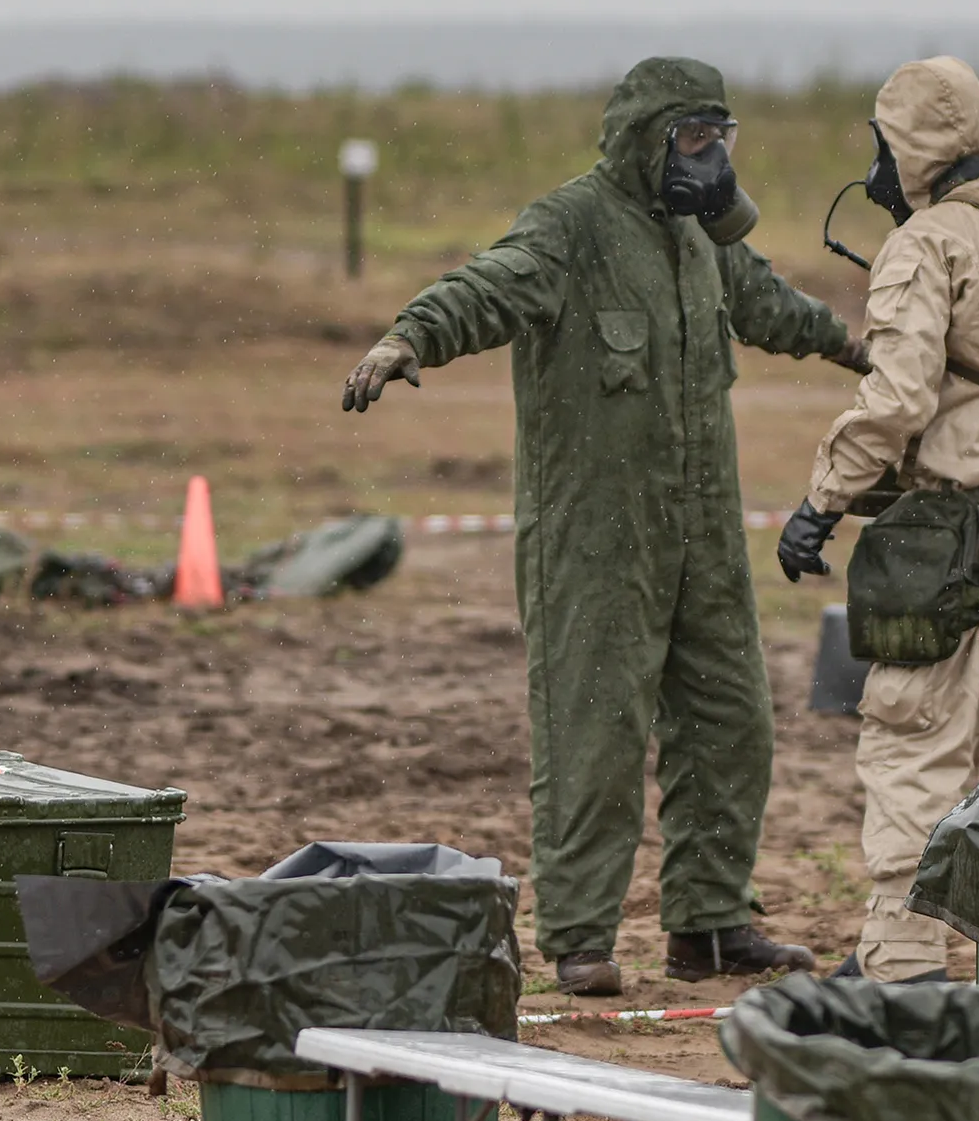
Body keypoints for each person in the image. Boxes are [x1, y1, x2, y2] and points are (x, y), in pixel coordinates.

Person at [342, 56, 864, 997]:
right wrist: (407, 336)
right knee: (595, 736)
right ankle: (580, 936)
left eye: (720, 139)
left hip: (705, 535)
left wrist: (860, 348)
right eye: (694, 139)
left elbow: (770, 306)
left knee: (732, 723)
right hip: (595, 537)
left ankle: (710, 925)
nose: (711, 159)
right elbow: (488, 286)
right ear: (646, 141)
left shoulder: (701, 238)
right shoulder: (569, 226)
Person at [773, 55, 979, 980]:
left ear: (912, 147)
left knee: (914, 737)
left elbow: (897, 399)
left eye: (884, 148)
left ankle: (901, 955)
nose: (877, 169)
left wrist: (821, 502)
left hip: (961, 536)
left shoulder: (927, 243)